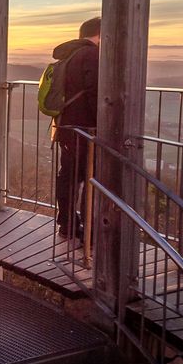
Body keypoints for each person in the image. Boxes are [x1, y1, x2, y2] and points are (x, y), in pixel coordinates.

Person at [52, 16, 100, 240]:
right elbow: (94, 91)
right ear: (99, 35)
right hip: (85, 129)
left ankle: (67, 224)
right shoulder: (91, 54)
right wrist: (103, 121)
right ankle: (90, 230)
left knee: (69, 177)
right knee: (91, 178)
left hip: (66, 126)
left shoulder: (69, 55)